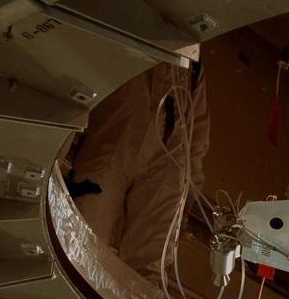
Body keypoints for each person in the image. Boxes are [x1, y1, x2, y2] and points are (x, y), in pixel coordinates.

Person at [69, 62, 209, 284]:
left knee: (149, 267)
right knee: (84, 238)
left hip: (167, 163)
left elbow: (197, 133)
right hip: (114, 146)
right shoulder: (129, 46)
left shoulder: (192, 66)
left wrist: (189, 196)